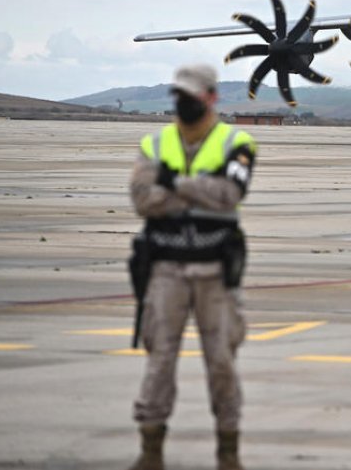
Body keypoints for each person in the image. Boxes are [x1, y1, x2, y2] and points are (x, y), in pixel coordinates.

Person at [128, 64, 256, 470]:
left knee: (221, 361)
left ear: (211, 97)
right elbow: (142, 200)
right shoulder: (155, 143)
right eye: (178, 95)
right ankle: (150, 454)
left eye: (191, 96)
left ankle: (228, 454)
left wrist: (175, 184)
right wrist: (200, 190)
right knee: (159, 359)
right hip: (165, 268)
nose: (182, 103)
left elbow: (229, 193)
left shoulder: (236, 141)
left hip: (214, 270)